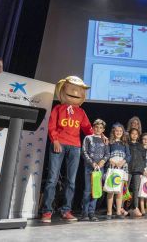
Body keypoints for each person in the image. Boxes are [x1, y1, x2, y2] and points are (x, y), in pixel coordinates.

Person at [42, 76, 101, 223]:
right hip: (59, 144)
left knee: (71, 181)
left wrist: (101, 136)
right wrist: (55, 140)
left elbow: (88, 129)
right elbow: (51, 126)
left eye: (79, 90)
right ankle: (47, 211)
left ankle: (66, 210)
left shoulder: (81, 112)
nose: (75, 92)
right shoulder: (58, 108)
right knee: (52, 179)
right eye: (71, 88)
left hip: (75, 146)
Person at [80, 119, 110, 221]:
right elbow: (84, 152)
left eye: (101, 128)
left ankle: (92, 213)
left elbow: (107, 153)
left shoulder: (105, 140)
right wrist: (92, 163)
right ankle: (84, 213)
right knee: (88, 190)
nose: (98, 129)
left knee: (96, 191)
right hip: (89, 168)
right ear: (93, 128)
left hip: (99, 169)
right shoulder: (88, 138)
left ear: (103, 129)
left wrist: (102, 162)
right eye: (96, 127)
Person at [106, 122, 131, 219]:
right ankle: (109, 212)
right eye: (117, 130)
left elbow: (128, 156)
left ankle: (118, 212)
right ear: (113, 131)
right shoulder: (110, 142)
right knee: (110, 190)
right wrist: (111, 161)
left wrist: (123, 162)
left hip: (122, 168)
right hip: (112, 167)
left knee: (120, 191)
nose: (119, 132)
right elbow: (107, 153)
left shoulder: (124, 144)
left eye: (121, 131)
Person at [128, 128, 147, 217]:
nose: (134, 135)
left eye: (136, 134)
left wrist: (142, 169)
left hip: (138, 170)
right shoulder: (127, 144)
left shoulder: (140, 146)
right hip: (127, 169)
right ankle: (122, 208)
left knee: (136, 190)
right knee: (125, 189)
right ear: (130, 134)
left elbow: (143, 159)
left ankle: (135, 208)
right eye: (132, 133)